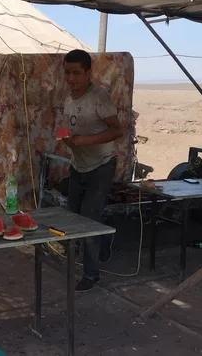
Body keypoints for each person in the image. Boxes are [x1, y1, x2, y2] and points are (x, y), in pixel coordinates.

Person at [61, 49, 124, 292]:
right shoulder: (69, 99)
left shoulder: (100, 97)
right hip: (79, 166)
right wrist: (67, 139)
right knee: (74, 214)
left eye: (77, 73)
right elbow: (73, 129)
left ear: (88, 73)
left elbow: (117, 130)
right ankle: (106, 237)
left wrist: (85, 141)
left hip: (101, 166)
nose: (71, 78)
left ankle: (91, 274)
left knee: (87, 218)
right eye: (67, 73)